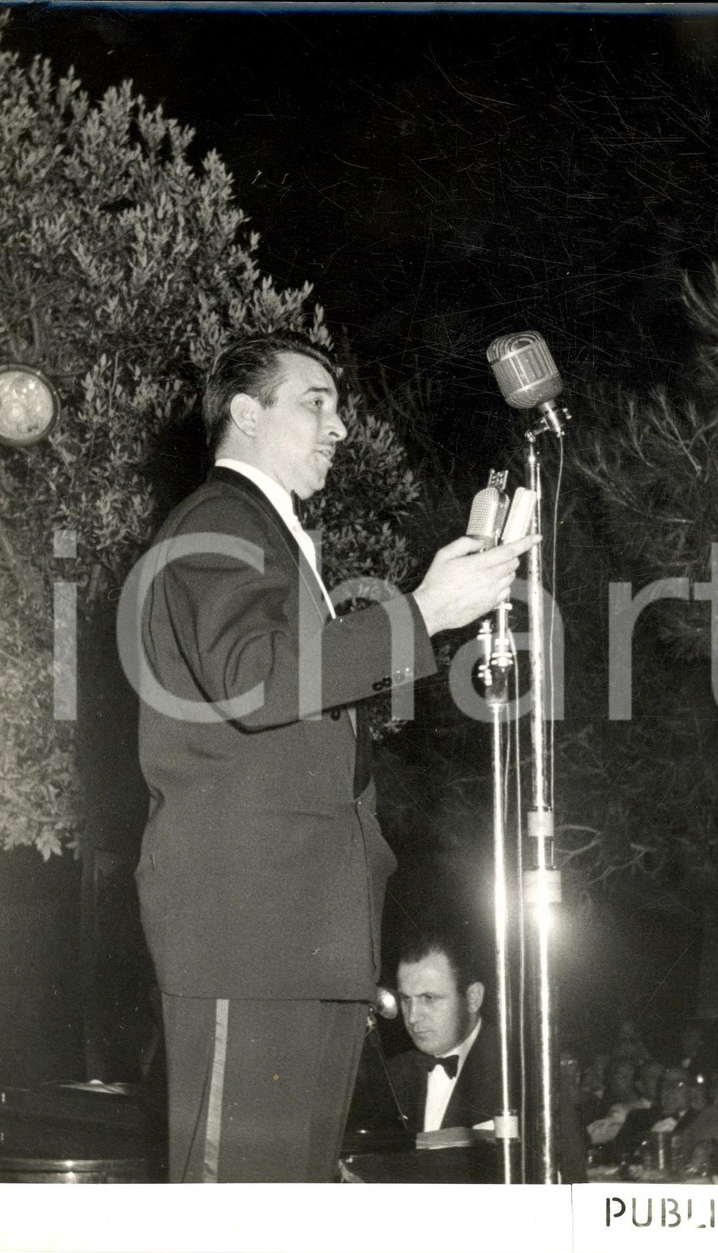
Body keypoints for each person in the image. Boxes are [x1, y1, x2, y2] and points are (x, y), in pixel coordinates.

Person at [132, 332, 537, 1182]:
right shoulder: (217, 520)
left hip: (300, 932)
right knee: (234, 1211)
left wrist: (438, 608)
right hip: (249, 929)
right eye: (315, 402)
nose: (341, 426)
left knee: (279, 1209)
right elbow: (253, 679)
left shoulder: (269, 536)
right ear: (246, 414)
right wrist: (421, 614)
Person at [386, 928, 501, 1132]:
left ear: (473, 998)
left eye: (429, 998)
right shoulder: (392, 1074)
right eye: (405, 999)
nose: (412, 1017)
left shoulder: (518, 1070)